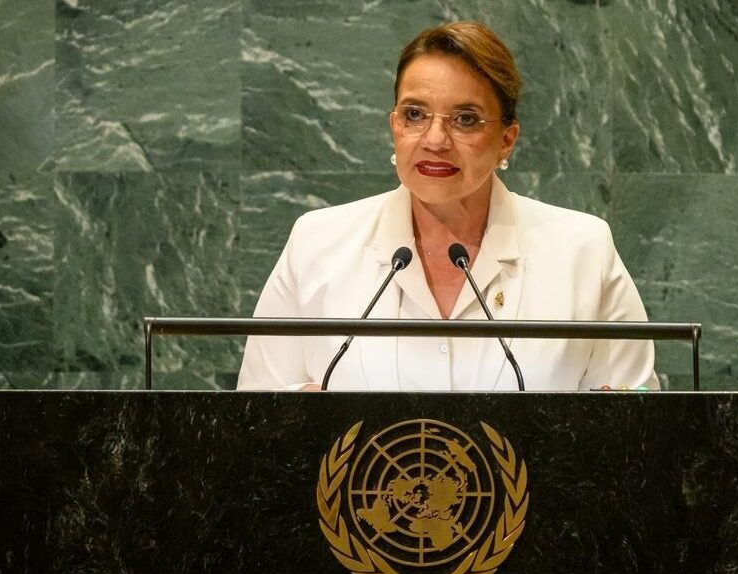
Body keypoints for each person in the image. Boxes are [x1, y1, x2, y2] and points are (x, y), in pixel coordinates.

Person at [236, 21, 657, 391]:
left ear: (506, 140)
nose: (435, 140)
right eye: (415, 114)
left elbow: (638, 421)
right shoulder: (317, 244)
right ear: (394, 126)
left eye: (466, 119)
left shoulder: (582, 251)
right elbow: (251, 416)